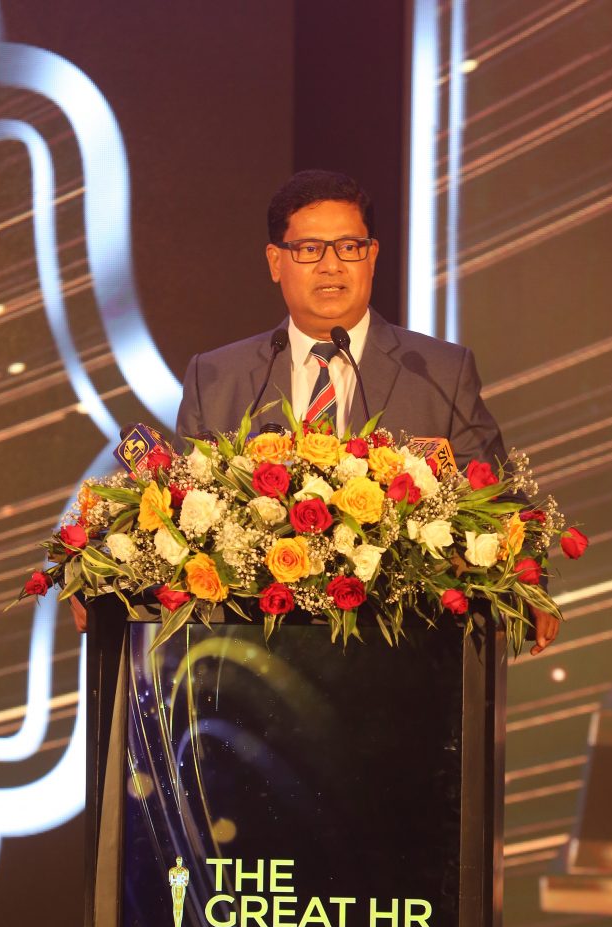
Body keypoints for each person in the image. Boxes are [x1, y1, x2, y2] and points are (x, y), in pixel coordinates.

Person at [177, 169, 559, 654]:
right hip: (249, 656)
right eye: (309, 249)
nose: (331, 266)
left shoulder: (439, 372)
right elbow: (175, 513)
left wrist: (529, 578)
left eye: (348, 247)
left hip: (407, 654)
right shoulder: (216, 377)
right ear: (276, 261)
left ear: (372, 256)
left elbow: (499, 500)